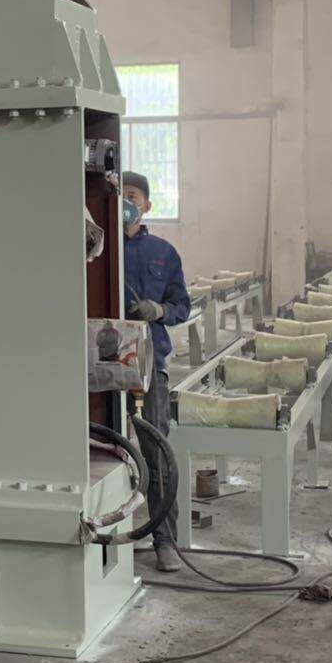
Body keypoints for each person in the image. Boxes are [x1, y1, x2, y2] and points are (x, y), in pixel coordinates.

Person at [122, 171, 191, 573]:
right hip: (98, 366)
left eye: (132, 196)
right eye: (118, 195)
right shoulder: (91, 249)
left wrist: (160, 309)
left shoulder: (163, 252)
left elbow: (182, 305)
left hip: (149, 363)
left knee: (156, 452)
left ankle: (165, 540)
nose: (125, 202)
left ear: (146, 205)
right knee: (99, 450)